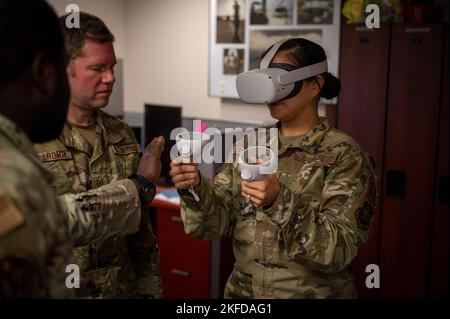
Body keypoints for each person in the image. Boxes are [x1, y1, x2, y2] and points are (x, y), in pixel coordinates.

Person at [170, 38, 377, 298]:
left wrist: (279, 201)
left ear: (315, 85)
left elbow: (339, 250)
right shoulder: (250, 145)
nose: (271, 93)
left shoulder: (345, 156)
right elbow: (215, 223)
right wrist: (194, 187)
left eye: (281, 82)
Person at [0, 0, 163, 298]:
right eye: (97, 68)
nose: (111, 78)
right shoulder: (25, 143)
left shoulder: (121, 133)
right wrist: (138, 185)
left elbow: (141, 237)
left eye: (112, 67)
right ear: (57, 70)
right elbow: (50, 222)